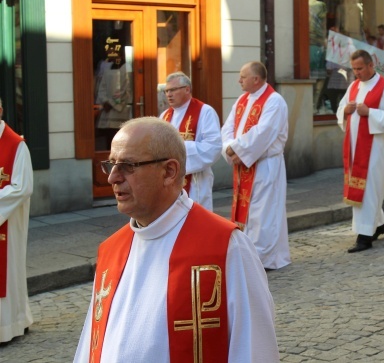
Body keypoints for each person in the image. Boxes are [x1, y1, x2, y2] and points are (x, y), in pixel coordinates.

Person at [73, 117, 279, 362]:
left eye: (127, 166)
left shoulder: (226, 247)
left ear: (169, 171)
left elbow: (254, 348)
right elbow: (91, 344)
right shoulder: (111, 250)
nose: (112, 178)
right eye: (111, 165)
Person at [221, 61, 291, 270]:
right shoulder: (242, 100)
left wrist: (238, 151)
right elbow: (228, 127)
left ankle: (264, 258)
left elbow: (264, 132)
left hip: (265, 165)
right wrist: (229, 149)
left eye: (243, 76)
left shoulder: (274, 101)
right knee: (248, 211)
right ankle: (250, 254)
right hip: (245, 164)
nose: (239, 80)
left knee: (264, 212)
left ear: (256, 79)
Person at [337, 50, 384, 253]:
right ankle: (378, 225)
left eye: (360, 68)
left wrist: (369, 113)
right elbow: (342, 108)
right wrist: (345, 111)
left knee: (369, 189)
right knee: (367, 189)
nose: (356, 73)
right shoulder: (354, 86)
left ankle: (364, 237)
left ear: (371, 66)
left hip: (375, 149)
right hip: (355, 147)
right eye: (354, 69)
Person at [160, 71, 222, 211]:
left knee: (195, 221)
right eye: (166, 91)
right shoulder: (165, 116)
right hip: (170, 181)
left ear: (187, 89)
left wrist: (177, 149)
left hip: (195, 182)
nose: (169, 94)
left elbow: (213, 147)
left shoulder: (205, 112)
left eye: (173, 90)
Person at [0, 98, 33, 344]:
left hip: (7, 224)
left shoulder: (16, 145)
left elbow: (22, 187)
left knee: (7, 273)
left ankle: (11, 324)